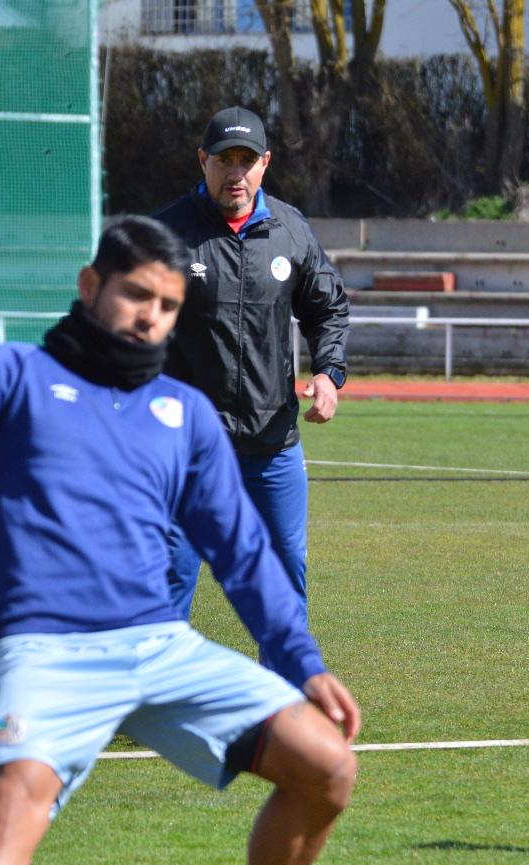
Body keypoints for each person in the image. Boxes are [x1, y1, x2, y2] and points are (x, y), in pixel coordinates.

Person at [0, 216, 360, 865]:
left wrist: (302, 661)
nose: (150, 317)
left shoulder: (181, 411)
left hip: (159, 645)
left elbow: (242, 552)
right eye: (135, 295)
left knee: (327, 767)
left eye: (167, 305)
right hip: (45, 646)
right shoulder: (11, 374)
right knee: (13, 803)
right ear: (89, 286)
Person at [152, 106, 350, 617]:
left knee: (284, 580)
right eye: (224, 160)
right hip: (187, 450)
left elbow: (327, 308)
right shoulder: (166, 234)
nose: (235, 173)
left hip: (271, 444)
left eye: (246, 160)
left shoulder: (290, 230)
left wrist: (328, 373)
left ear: (265, 163)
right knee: (167, 583)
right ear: (203, 161)